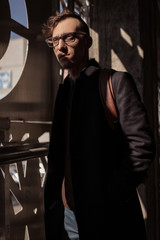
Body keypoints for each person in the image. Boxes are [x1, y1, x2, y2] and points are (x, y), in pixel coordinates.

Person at [42, 10, 155, 240]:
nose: (60, 46)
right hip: (67, 217)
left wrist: (109, 196)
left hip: (109, 218)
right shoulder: (64, 91)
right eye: (55, 40)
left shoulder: (115, 82)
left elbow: (142, 147)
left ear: (88, 41)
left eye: (69, 38)